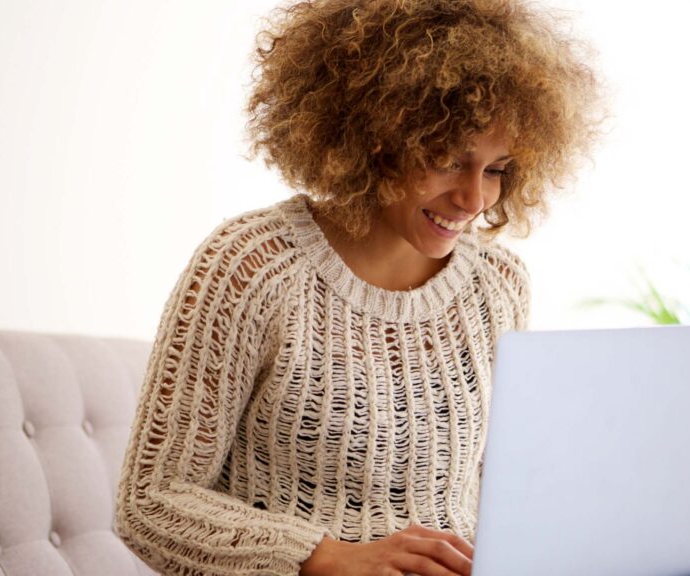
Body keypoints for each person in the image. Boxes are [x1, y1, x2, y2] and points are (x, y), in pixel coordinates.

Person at [113, 0, 604, 574]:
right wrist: (327, 558)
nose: (474, 199)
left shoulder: (498, 284)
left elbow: (495, 493)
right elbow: (152, 502)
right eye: (447, 159)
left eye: (496, 169)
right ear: (376, 137)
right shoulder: (253, 265)